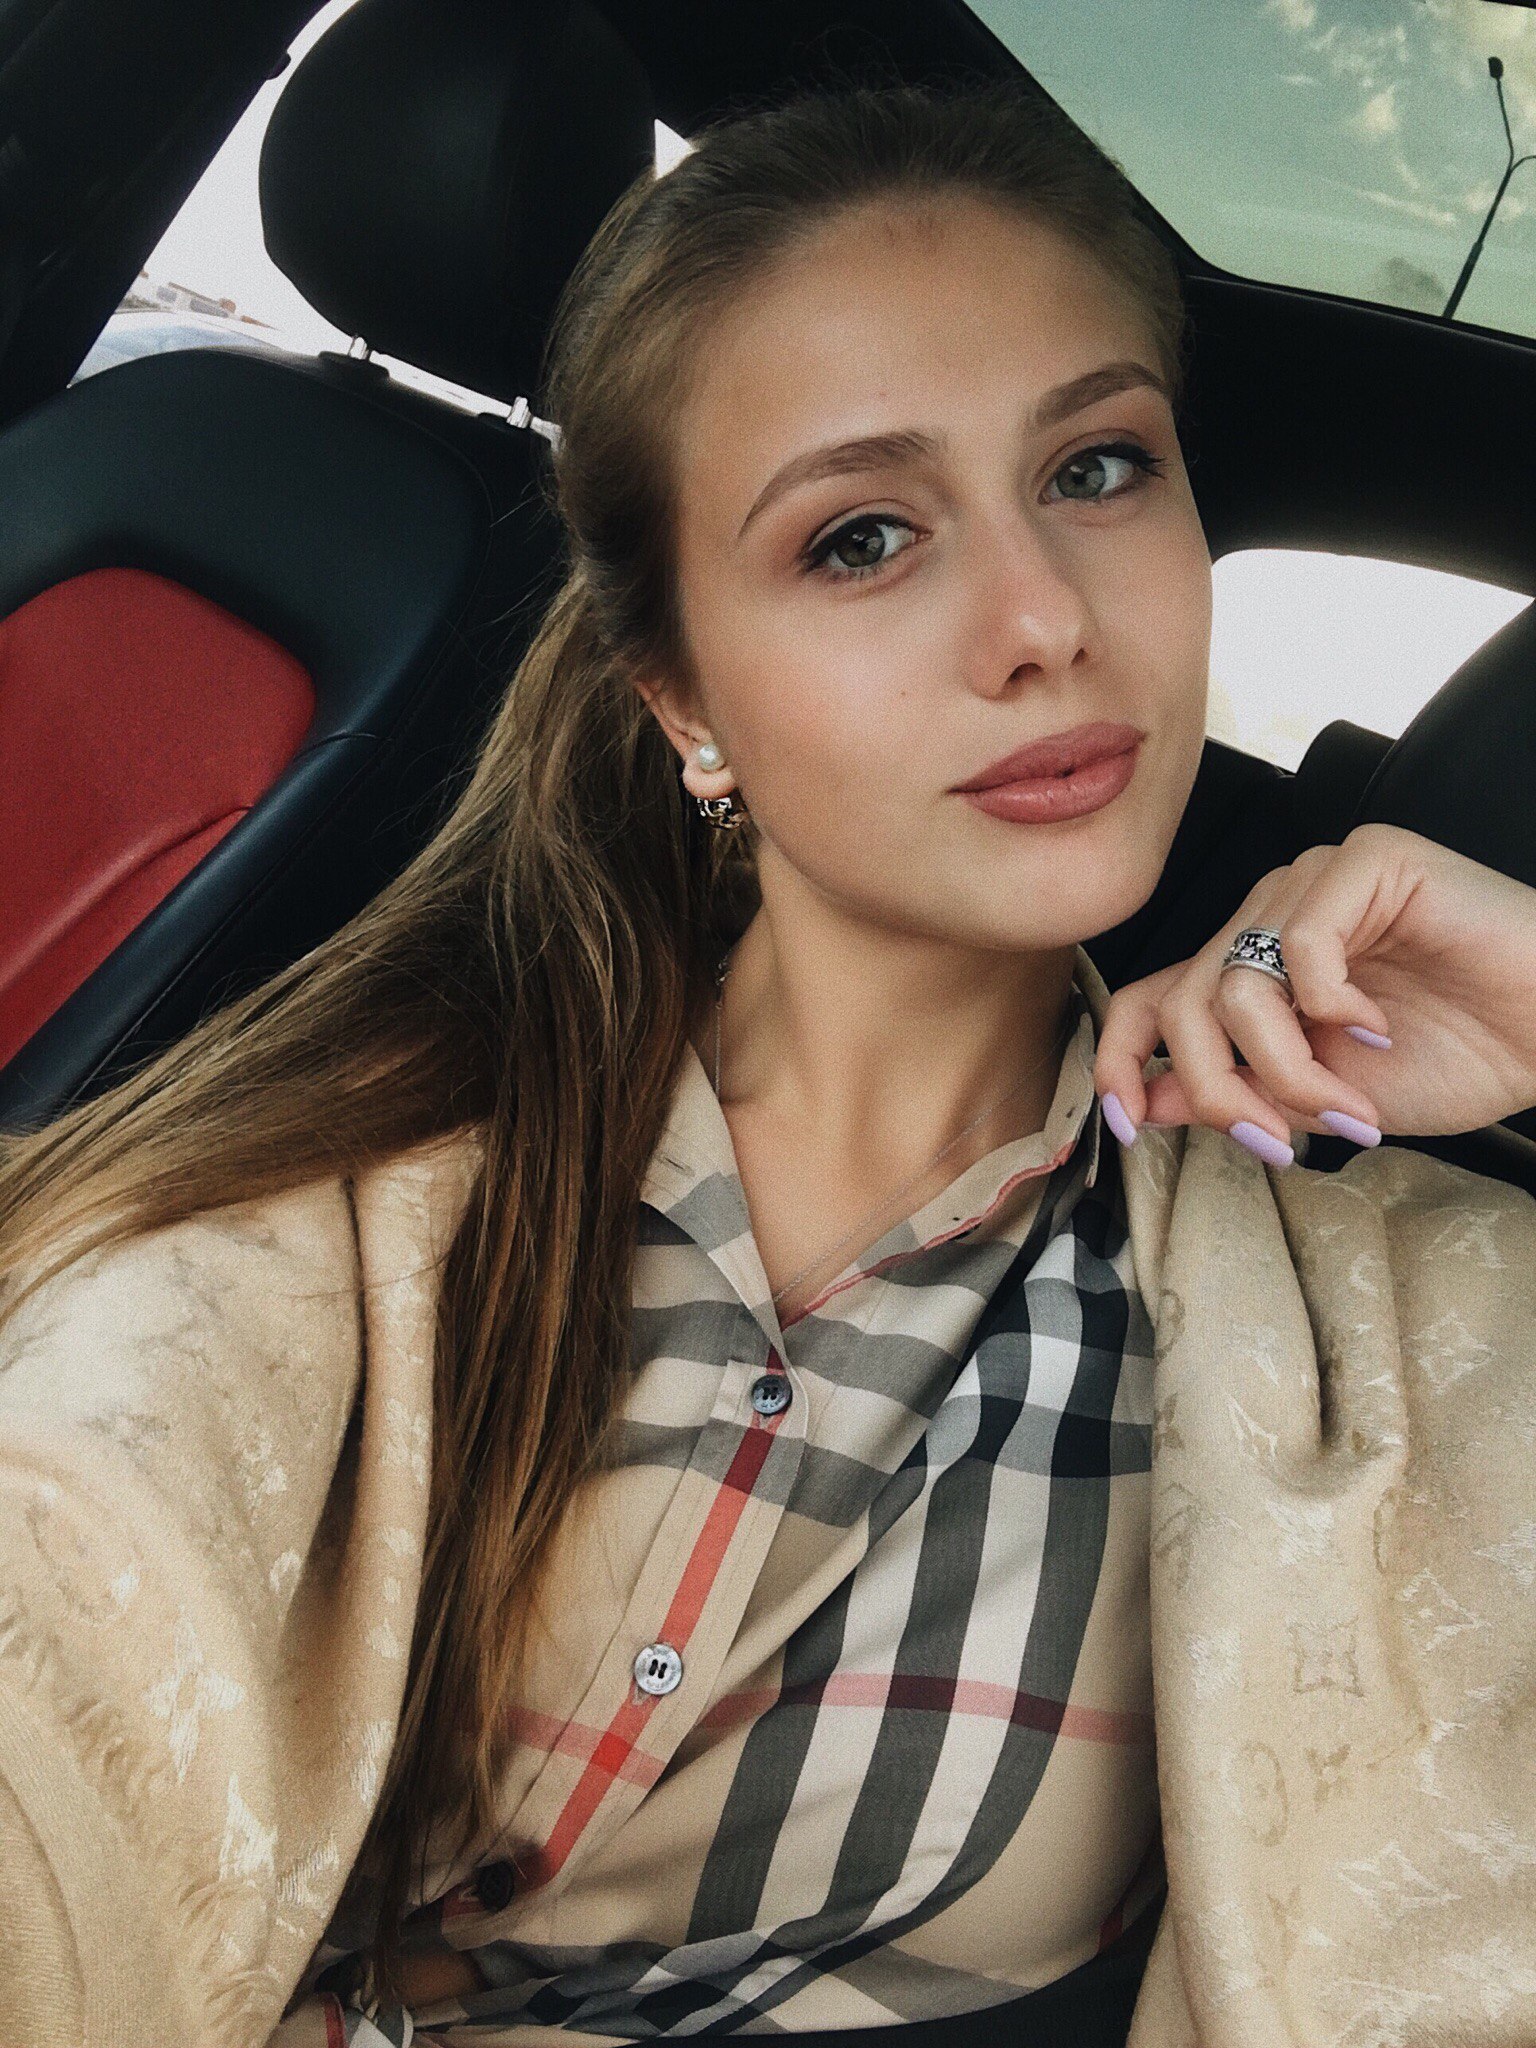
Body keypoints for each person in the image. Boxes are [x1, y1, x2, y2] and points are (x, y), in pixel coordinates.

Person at [0, 80, 1533, 2048]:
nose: (1046, 621)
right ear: (684, 703)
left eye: (1098, 468)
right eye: (864, 537)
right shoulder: (317, 1212)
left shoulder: (1389, 1304)